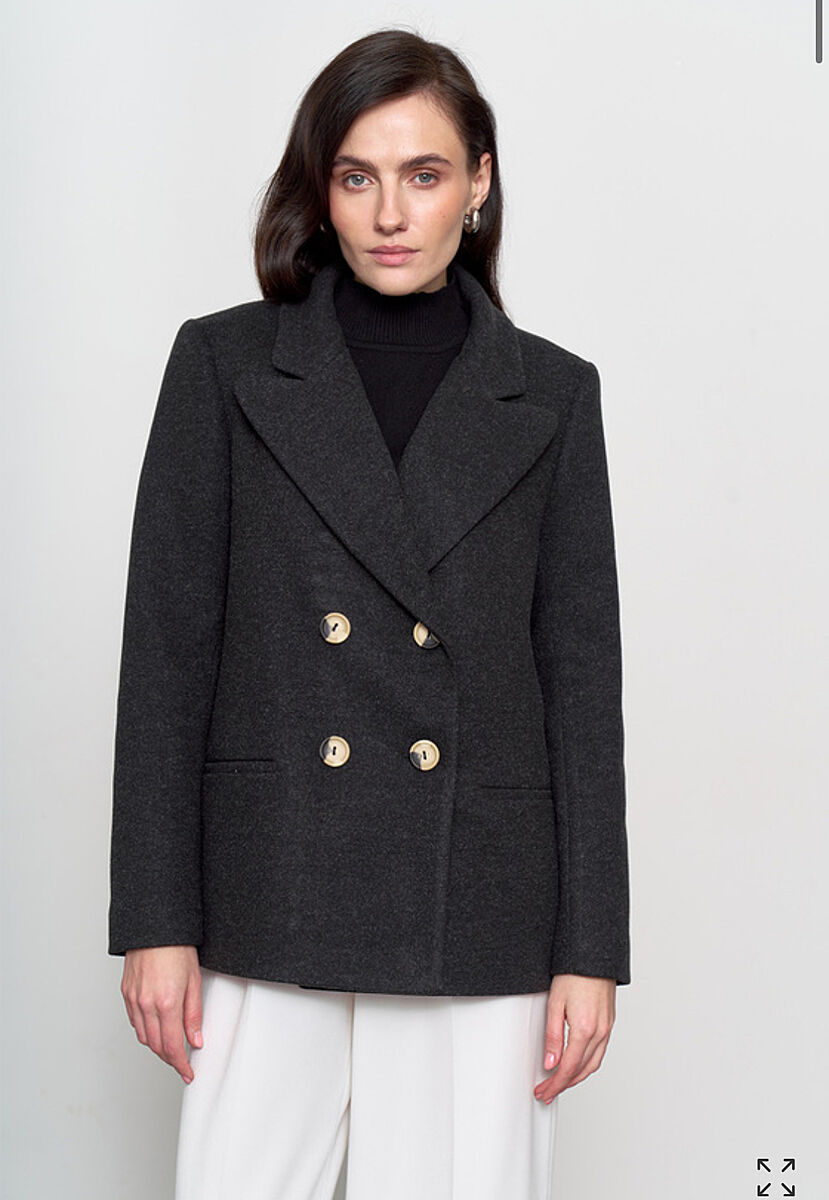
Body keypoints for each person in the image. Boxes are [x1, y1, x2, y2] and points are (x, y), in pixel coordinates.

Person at [108, 27, 631, 1200]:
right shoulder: (224, 366)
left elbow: (580, 687)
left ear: (478, 183)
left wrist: (590, 949)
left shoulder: (552, 394)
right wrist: (154, 918)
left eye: (424, 174)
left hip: (479, 894)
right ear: (321, 188)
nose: (390, 213)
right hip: (269, 875)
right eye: (357, 177)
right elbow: (166, 657)